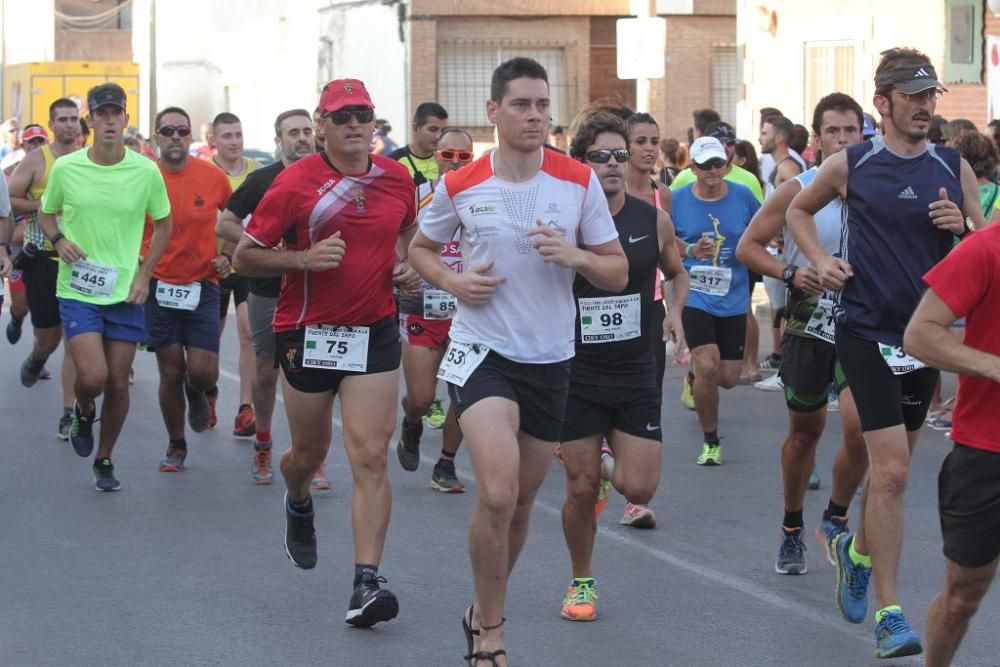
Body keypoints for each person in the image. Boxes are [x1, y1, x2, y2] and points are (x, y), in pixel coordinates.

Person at [409, 57, 626, 666]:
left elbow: (617, 271)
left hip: (551, 357)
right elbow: (421, 248)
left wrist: (575, 256)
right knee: (499, 491)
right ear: (493, 112)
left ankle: (483, 610)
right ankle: (492, 639)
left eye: (541, 105)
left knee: (524, 502)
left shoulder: (577, 181)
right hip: (483, 351)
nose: (534, 115)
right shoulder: (461, 184)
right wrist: (454, 282)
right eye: (521, 105)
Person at [786, 48, 987, 658]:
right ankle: (891, 615)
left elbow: (986, 241)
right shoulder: (853, 162)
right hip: (866, 330)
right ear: (884, 103)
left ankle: (856, 551)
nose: (926, 106)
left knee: (891, 472)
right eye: (913, 96)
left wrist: (963, 226)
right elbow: (797, 209)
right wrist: (820, 262)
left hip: (925, 338)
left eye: (931, 97)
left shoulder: (953, 166)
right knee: (894, 471)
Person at [234, 78, 419, 628]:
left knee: (368, 453)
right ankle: (297, 498)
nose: (355, 124)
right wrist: (303, 260)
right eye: (343, 117)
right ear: (323, 126)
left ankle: (367, 582)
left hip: (375, 331)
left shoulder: (396, 179)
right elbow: (245, 257)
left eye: (363, 113)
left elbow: (407, 237)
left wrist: (407, 265)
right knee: (308, 455)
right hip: (309, 331)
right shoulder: (295, 183)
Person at [558, 110, 687, 622]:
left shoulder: (650, 217)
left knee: (640, 487)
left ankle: (609, 467)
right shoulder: (564, 220)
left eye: (619, 154)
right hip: (577, 371)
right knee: (579, 487)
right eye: (600, 156)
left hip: (635, 367)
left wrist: (675, 312)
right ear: (581, 163)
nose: (614, 163)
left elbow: (677, 273)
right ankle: (581, 581)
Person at [736, 92, 869, 576]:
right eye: (831, 131)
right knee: (805, 432)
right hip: (810, 321)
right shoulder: (799, 189)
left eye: (849, 131)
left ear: (864, 134)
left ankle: (834, 517)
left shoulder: (877, 185)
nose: (841, 139)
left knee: (860, 429)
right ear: (815, 140)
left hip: (864, 322)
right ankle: (792, 527)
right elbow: (748, 248)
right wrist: (792, 273)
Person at [38, 83, 172, 490]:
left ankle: (105, 458)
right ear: (90, 121)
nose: (111, 120)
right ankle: (81, 409)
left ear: (126, 120)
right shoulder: (67, 168)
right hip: (79, 289)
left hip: (124, 291)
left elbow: (164, 224)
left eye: (118, 113)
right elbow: (47, 215)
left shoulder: (145, 170)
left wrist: (145, 273)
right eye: (103, 114)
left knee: (117, 383)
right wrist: (59, 240)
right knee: (93, 378)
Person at [216, 108, 329, 488]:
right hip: (269, 288)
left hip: (318, 289)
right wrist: (257, 246)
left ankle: (311, 454)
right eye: (292, 132)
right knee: (267, 371)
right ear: (278, 139)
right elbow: (225, 222)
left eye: (306, 131)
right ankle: (263, 440)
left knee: (314, 373)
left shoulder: (331, 177)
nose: (301, 138)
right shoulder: (262, 180)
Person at [903, 221, 1000, 667]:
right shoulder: (986, 248)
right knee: (962, 597)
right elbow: (921, 333)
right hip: (987, 450)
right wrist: (993, 367)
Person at [143, 106, 233, 472]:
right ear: (156, 138)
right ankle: (176, 444)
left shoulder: (212, 177)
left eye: (182, 130)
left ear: (191, 136)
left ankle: (199, 392)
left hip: (202, 284)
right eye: (168, 131)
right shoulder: (144, 176)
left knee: (202, 371)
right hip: (159, 284)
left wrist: (228, 254)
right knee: (169, 371)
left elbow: (237, 220)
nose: (176, 137)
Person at [671, 136, 760, 466]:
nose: (712, 170)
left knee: (727, 378)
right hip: (694, 293)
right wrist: (691, 250)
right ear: (692, 167)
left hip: (733, 294)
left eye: (718, 164)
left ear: (728, 165)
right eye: (705, 165)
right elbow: (665, 241)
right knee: (708, 362)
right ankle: (711, 440)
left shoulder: (743, 196)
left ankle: (694, 378)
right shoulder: (677, 199)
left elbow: (762, 227)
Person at [395, 127, 473, 492]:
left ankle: (446, 464)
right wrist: (401, 268)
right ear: (436, 157)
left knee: (461, 393)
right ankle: (411, 422)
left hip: (468, 313)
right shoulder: (418, 196)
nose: (455, 162)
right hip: (421, 306)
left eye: (464, 157)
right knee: (423, 398)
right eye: (448, 155)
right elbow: (395, 237)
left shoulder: (481, 198)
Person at [7, 98, 82, 439]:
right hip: (44, 259)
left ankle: (69, 412)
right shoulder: (38, 160)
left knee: (76, 338)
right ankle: (37, 357)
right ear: (53, 124)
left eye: (73, 119)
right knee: (49, 337)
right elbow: (8, 199)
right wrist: (43, 205)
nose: (69, 125)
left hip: (82, 260)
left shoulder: (91, 161)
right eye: (62, 119)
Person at [210, 111, 258, 439]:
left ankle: (245, 408)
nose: (234, 141)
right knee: (210, 337)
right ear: (214, 140)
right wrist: (219, 255)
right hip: (211, 264)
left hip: (246, 262)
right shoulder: (204, 172)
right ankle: (207, 391)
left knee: (247, 332)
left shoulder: (256, 171)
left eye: (238, 135)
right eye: (227, 136)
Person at [389, 102, 448, 186]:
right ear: (415, 128)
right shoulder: (393, 162)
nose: (439, 136)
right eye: (433, 129)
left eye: (443, 130)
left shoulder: (446, 160)